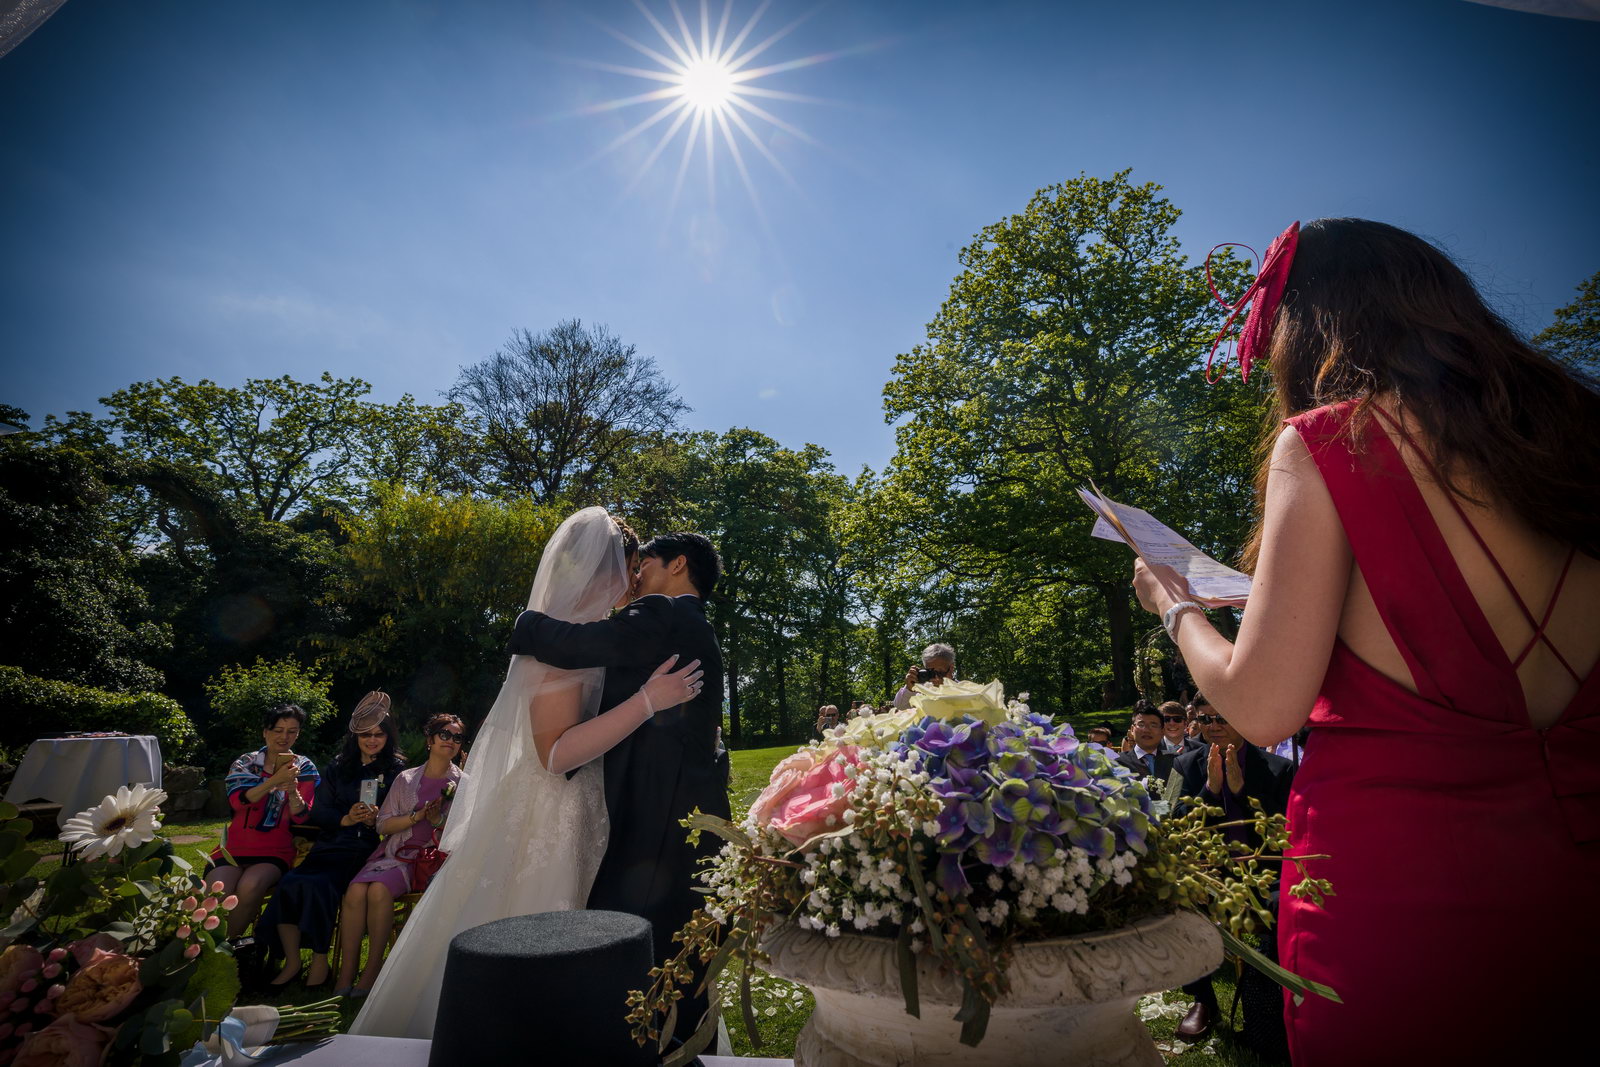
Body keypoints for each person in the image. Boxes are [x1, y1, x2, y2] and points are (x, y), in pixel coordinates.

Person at [1133, 218, 1600, 1063]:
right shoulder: (1577, 440)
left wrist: (1176, 608)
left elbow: (1263, 699)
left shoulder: (1329, 442)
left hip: (1399, 903)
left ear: (1307, 329)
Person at [350, 508, 701, 1040]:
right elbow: (555, 756)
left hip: (583, 807)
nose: (632, 583)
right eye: (628, 569)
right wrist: (648, 701)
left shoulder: (582, 637)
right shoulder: (561, 647)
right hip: (548, 812)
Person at [497, 528, 729, 1048]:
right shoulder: (694, 625)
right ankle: (674, 1042)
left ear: (677, 566)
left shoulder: (662, 614)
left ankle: (657, 1046)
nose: (636, 572)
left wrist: (527, 618)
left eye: (646, 562)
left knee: (647, 945)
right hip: (681, 815)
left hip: (658, 821)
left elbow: (578, 644)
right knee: (673, 951)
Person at [1168, 695, 1295, 1042]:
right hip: (1210, 873)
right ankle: (1203, 1001)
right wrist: (1211, 790)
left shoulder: (1278, 768)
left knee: (1283, 906)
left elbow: (1285, 831)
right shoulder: (1185, 765)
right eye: (1206, 720)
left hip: (1264, 872)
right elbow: (1174, 821)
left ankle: (1271, 1005)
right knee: (1178, 902)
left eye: (1222, 717)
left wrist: (1241, 791)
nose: (1214, 726)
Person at [262, 692, 406, 988]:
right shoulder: (338, 768)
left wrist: (374, 820)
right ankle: (292, 960)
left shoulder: (397, 772)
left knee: (321, 886)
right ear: (355, 736)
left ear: (388, 737)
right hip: (329, 844)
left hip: (366, 850)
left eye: (379, 734)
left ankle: (319, 959)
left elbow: (401, 817)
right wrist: (346, 819)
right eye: (366, 734)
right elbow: (320, 812)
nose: (372, 740)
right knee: (291, 883)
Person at [335, 713, 467, 998]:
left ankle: (372, 973)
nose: (451, 741)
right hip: (392, 853)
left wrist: (434, 823)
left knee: (379, 891)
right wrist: (416, 816)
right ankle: (346, 973)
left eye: (457, 737)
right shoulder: (406, 779)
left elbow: (465, 833)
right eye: (445, 734)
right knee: (355, 891)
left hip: (428, 860)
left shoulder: (464, 784)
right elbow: (383, 824)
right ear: (430, 740)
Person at [208, 705, 320, 939]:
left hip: (275, 850)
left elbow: (303, 816)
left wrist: (292, 792)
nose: (284, 737)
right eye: (278, 730)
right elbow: (238, 802)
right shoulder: (246, 763)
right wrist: (274, 780)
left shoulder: (305, 767)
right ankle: (200, 948)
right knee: (216, 890)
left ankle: (227, 947)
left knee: (251, 886)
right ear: (265, 732)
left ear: (298, 734)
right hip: (234, 848)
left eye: (292, 731)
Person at [1114, 705, 1173, 781]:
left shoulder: (1174, 761)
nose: (1146, 730)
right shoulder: (1118, 762)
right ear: (1132, 730)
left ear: (1162, 731)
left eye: (1153, 725)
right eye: (1141, 725)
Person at [892, 643, 956, 709]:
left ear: (951, 668)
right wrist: (909, 689)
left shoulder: (964, 689)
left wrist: (944, 690)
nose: (936, 678)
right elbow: (899, 707)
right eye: (931, 673)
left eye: (940, 672)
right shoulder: (920, 690)